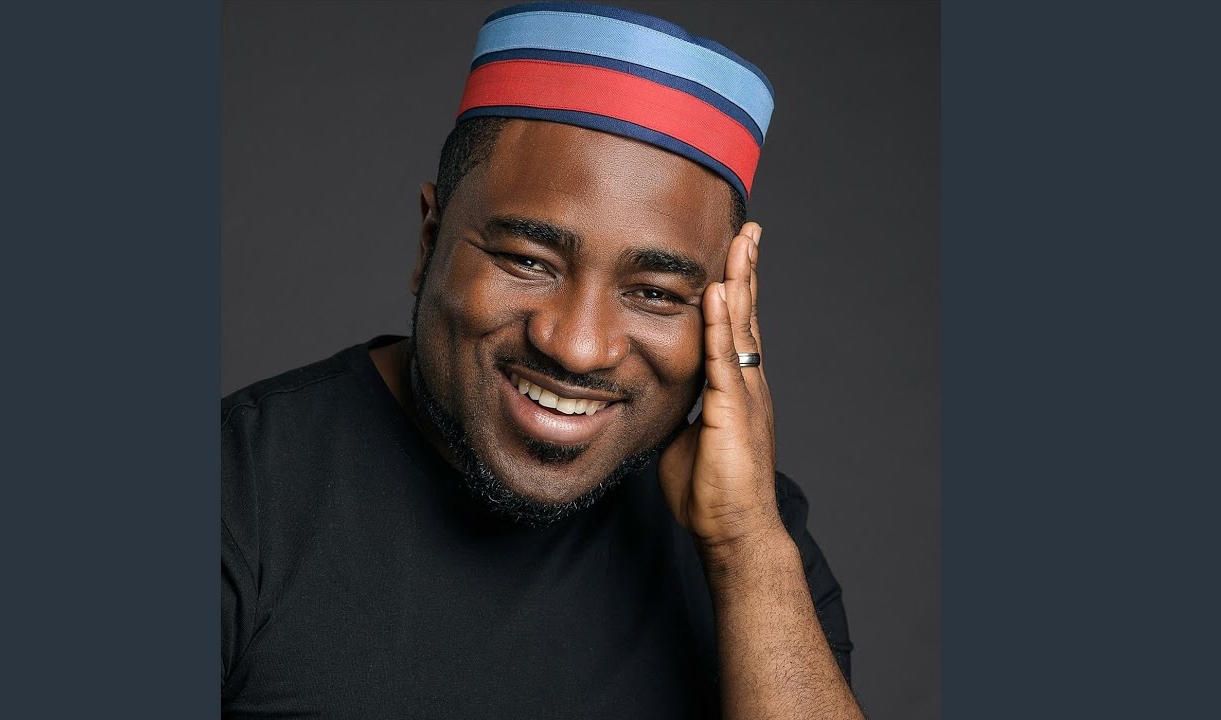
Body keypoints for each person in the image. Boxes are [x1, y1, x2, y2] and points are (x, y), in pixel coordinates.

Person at [222, 3, 863, 718]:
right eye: (528, 260)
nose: (577, 346)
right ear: (429, 242)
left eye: (654, 293)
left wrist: (746, 548)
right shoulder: (235, 496)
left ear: (722, 310)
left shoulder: (754, 542)